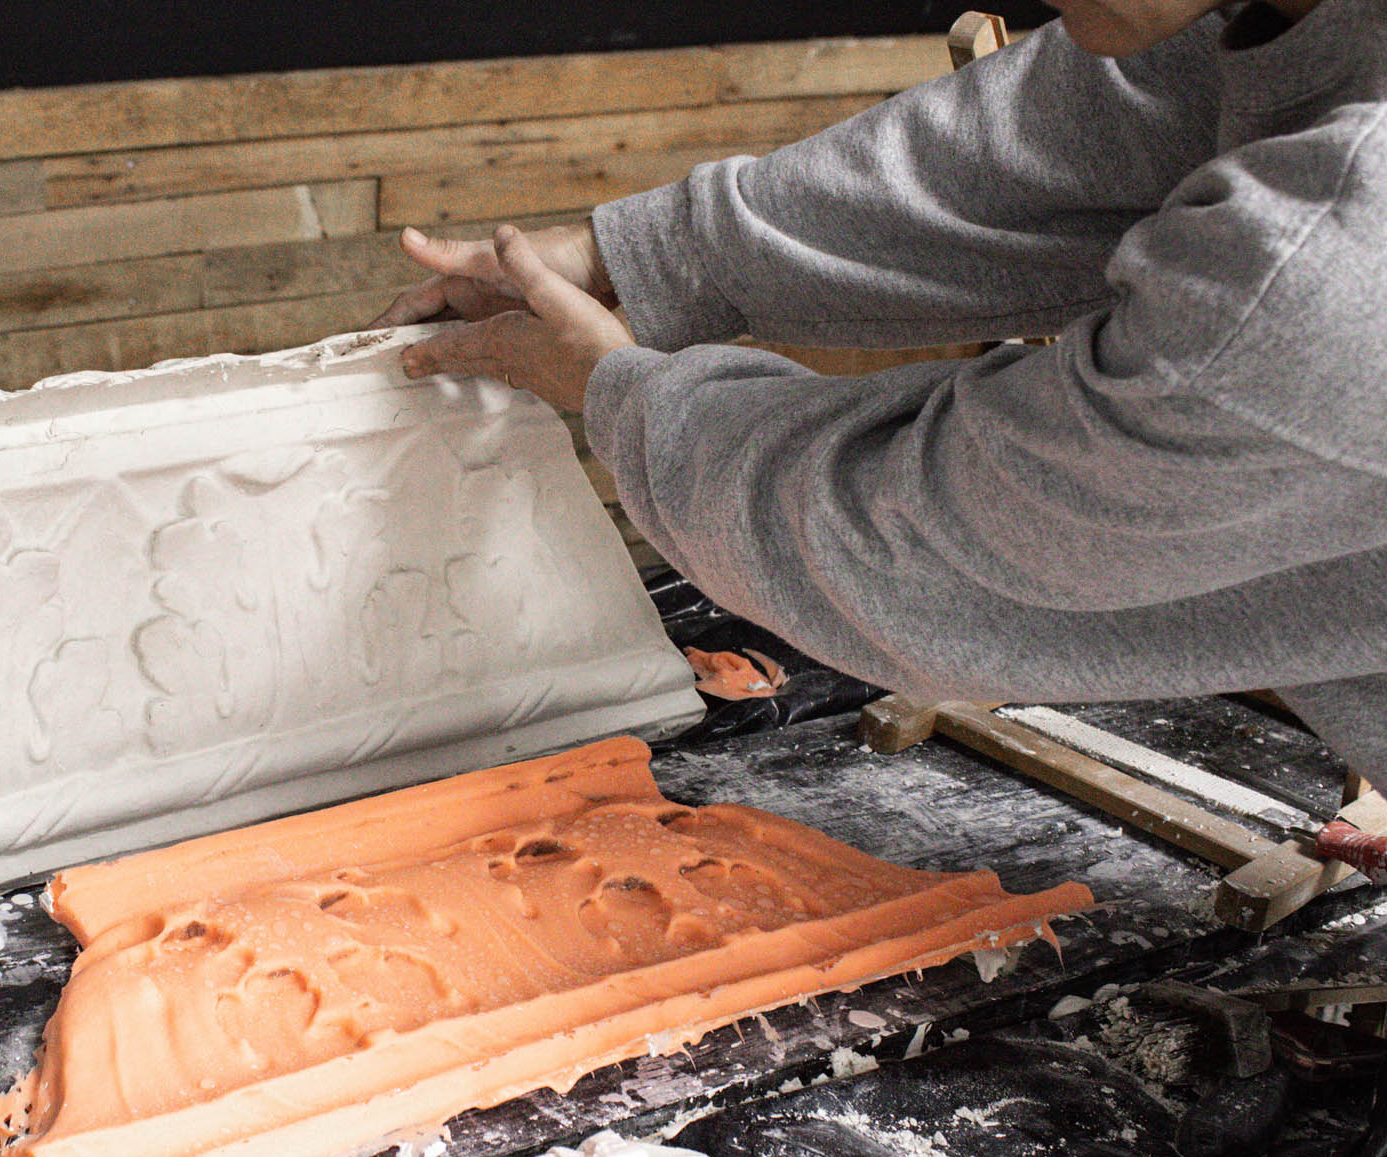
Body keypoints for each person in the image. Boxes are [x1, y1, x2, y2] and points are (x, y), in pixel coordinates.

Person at [371, 0, 1387, 791]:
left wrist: (621, 393)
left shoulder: (1326, 262)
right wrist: (631, 257)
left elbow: (923, 544)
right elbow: (1045, 142)